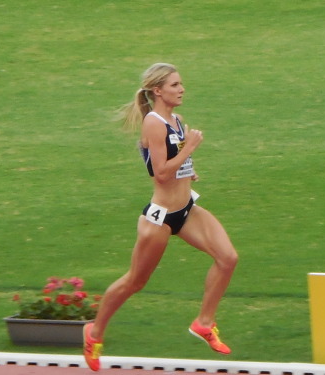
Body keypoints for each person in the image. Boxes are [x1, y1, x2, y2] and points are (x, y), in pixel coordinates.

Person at [83, 63, 239, 371]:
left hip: (186, 210)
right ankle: (94, 332)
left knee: (228, 258)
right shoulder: (153, 123)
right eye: (175, 85)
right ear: (158, 91)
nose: (182, 89)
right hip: (160, 219)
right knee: (135, 281)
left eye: (181, 84)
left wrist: (188, 169)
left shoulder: (177, 120)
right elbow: (159, 173)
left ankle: (204, 323)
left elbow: (175, 164)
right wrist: (189, 149)